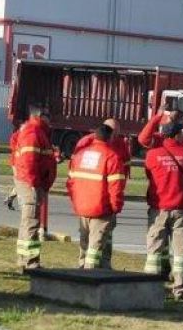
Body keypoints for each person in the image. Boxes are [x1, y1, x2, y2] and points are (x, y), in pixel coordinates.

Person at [143, 113, 183, 300]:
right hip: (181, 208)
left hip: (158, 209)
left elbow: (150, 177)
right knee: (180, 250)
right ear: (176, 135)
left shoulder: (152, 155)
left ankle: (149, 287)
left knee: (154, 249)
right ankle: (180, 288)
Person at [67, 124, 125, 269]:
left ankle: (81, 268)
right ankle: (89, 274)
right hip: (101, 209)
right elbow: (116, 187)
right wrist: (115, 207)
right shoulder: (112, 157)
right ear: (110, 138)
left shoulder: (80, 155)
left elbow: (70, 182)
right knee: (95, 246)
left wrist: (76, 202)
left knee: (84, 244)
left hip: (82, 207)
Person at [14, 105, 57, 270]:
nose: (50, 120)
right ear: (40, 116)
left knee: (27, 222)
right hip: (30, 184)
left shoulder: (38, 132)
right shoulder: (33, 133)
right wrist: (33, 184)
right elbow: (28, 162)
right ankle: (31, 262)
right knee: (31, 222)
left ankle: (23, 259)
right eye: (48, 116)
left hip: (33, 183)